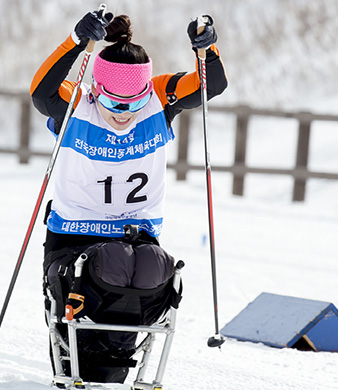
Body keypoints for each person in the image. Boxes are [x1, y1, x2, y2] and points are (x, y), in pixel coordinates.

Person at [29, 8, 227, 384]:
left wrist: (208, 49)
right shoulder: (79, 103)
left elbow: (209, 85)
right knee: (82, 321)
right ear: (97, 90)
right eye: (116, 103)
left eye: (136, 102)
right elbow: (42, 92)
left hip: (136, 239)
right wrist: (75, 42)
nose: (126, 113)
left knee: (135, 295)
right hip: (74, 234)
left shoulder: (158, 96)